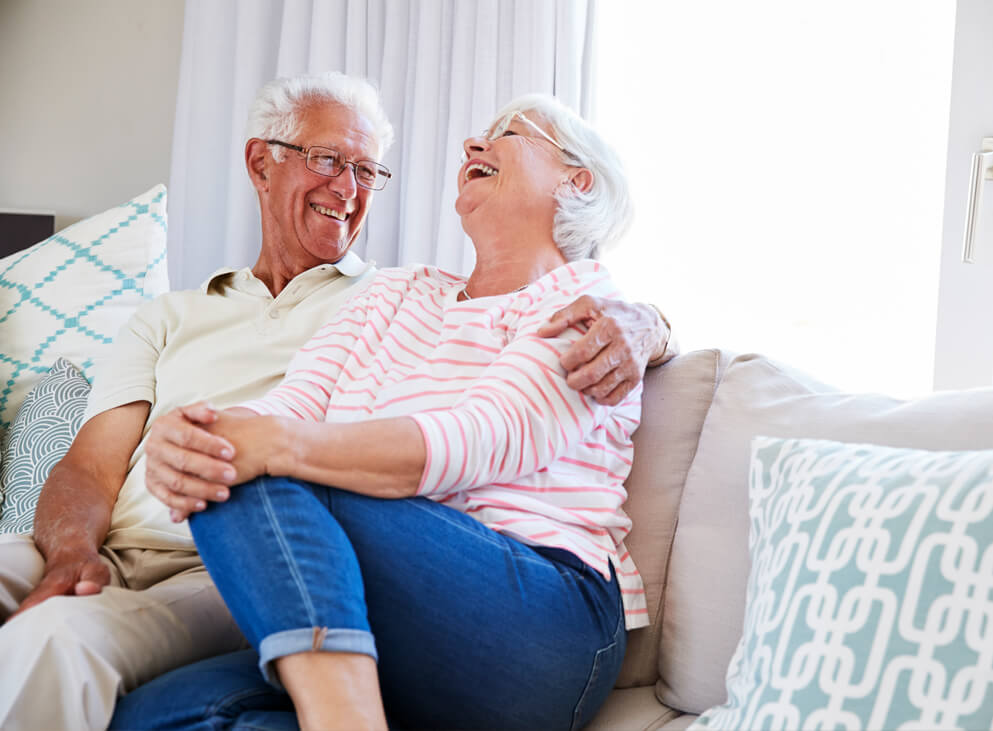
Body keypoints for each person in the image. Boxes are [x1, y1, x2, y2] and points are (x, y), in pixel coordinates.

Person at [0, 73, 674, 730]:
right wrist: (198, 438)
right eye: (475, 135)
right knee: (152, 714)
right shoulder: (395, 295)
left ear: (575, 178)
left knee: (252, 471)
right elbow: (292, 404)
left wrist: (258, 448)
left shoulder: (591, 309)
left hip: (536, 621)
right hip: (393, 625)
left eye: (506, 133)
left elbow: (474, 438)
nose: (473, 145)